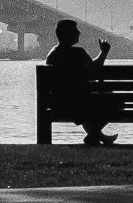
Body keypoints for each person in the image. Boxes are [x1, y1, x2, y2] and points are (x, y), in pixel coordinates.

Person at [44, 18, 118, 146]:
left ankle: (97, 137)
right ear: (68, 34)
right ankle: (92, 136)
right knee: (115, 101)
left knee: (83, 99)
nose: (79, 33)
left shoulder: (52, 55)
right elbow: (94, 70)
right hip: (77, 103)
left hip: (58, 104)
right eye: (76, 30)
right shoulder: (78, 53)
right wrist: (104, 52)